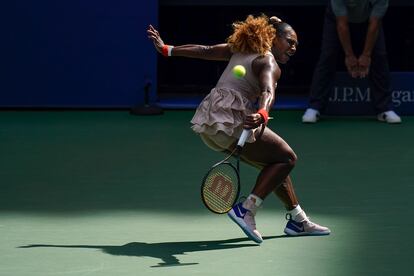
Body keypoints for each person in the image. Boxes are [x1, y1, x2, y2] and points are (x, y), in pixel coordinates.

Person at [147, 14, 330, 244]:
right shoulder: (268, 61)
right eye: (290, 41)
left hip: (210, 124)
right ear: (274, 37)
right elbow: (267, 92)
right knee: (287, 158)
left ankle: (298, 220)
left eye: (296, 44)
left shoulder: (240, 48)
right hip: (231, 122)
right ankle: (247, 209)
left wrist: (167, 49)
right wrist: (263, 113)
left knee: (275, 166)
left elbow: (205, 50)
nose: (294, 48)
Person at [302, 0, 401, 124]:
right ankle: (314, 107)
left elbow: (374, 23)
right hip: (337, 20)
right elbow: (342, 24)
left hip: (369, 22)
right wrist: (349, 56)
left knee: (379, 56)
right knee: (328, 55)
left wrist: (366, 55)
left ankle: (385, 109)